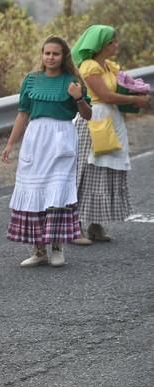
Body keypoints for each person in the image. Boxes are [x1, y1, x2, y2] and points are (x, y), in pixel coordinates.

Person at [1, 36, 92, 267]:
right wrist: (11, 143)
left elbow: (87, 114)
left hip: (61, 138)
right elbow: (23, 113)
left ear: (64, 57)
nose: (50, 57)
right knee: (35, 191)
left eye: (56, 54)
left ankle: (57, 246)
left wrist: (78, 98)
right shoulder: (31, 80)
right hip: (36, 138)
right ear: (42, 55)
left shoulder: (72, 80)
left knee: (57, 191)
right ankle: (38, 250)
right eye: (47, 53)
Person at [70, 25, 150, 243]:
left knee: (104, 170)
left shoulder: (108, 66)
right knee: (87, 171)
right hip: (95, 121)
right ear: (100, 45)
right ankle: (74, 224)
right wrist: (135, 99)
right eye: (111, 42)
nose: (116, 45)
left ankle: (96, 223)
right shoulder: (89, 67)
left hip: (110, 120)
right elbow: (105, 95)